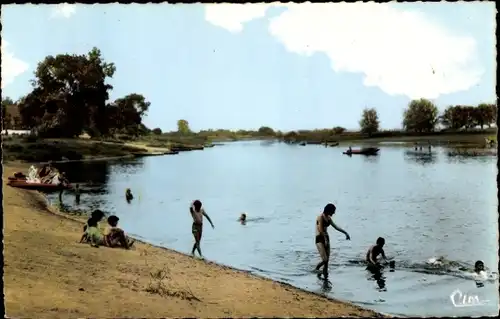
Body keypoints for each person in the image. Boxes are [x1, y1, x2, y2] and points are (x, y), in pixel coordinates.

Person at [315, 203, 350, 279]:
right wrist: (324, 239)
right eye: (333, 211)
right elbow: (320, 229)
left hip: (326, 238)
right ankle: (316, 269)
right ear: (328, 210)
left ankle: (325, 278)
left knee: (327, 262)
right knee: (325, 260)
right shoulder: (320, 217)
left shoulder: (328, 218)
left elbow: (336, 227)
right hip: (320, 238)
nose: (333, 213)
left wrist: (345, 233)